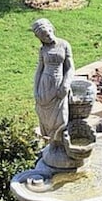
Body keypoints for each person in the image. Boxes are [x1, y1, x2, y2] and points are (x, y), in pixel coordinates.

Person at [32, 18, 75, 148]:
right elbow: (39, 70)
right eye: (44, 36)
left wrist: (66, 84)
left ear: (52, 28)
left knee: (62, 118)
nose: (48, 36)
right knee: (46, 120)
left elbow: (70, 67)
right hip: (45, 86)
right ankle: (52, 146)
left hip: (59, 85)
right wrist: (36, 91)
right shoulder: (42, 50)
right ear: (40, 38)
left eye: (49, 31)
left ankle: (61, 144)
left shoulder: (64, 44)